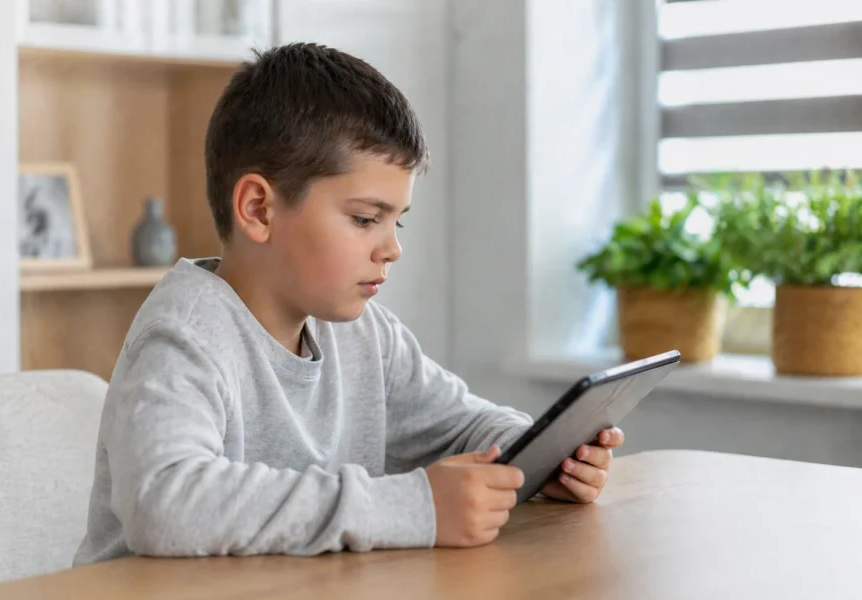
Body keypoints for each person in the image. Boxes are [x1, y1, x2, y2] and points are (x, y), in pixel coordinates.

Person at [73, 43, 624, 564]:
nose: (392, 248)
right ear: (259, 209)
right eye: (365, 219)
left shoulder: (365, 337)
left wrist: (537, 459)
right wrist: (413, 507)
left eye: (396, 221)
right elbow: (164, 503)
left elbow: (463, 427)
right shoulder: (186, 334)